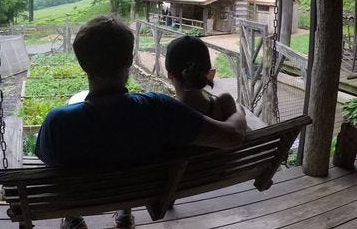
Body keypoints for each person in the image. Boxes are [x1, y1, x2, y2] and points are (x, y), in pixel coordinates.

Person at [35, 15, 247, 229]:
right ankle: (124, 213)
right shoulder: (160, 108)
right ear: (130, 59)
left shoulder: (57, 123)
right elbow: (233, 137)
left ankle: (74, 220)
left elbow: (51, 167)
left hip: (84, 198)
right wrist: (238, 111)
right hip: (135, 192)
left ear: (82, 64)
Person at [165, 35, 238, 122]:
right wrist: (240, 111)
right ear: (208, 71)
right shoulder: (224, 104)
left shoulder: (166, 115)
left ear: (169, 74)